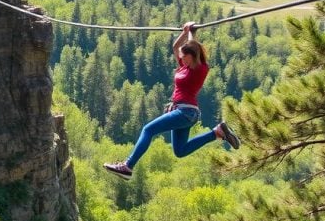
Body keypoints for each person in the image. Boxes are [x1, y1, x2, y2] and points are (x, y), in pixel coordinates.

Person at [103, 22, 240, 180]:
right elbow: (176, 48)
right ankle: (216, 133)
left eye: (185, 56)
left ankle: (128, 166)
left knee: (148, 130)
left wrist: (191, 34)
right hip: (182, 112)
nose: (182, 58)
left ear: (193, 55)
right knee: (180, 151)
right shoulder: (184, 67)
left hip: (186, 112)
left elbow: (193, 46)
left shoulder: (200, 69)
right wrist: (185, 31)